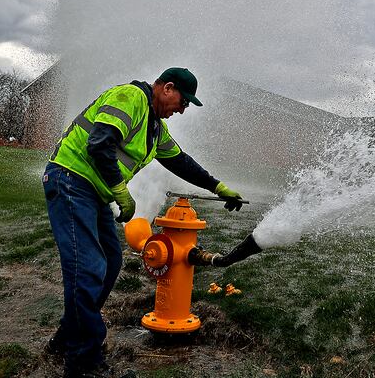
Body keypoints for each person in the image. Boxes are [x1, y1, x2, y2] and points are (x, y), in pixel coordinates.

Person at [42, 67, 243, 377]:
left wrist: (217, 186)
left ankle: (70, 337)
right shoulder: (130, 97)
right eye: (183, 101)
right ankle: (83, 364)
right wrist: (120, 189)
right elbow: (99, 143)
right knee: (89, 269)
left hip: (91, 193)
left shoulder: (154, 127)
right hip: (70, 181)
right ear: (167, 88)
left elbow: (179, 160)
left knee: (110, 262)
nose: (182, 108)